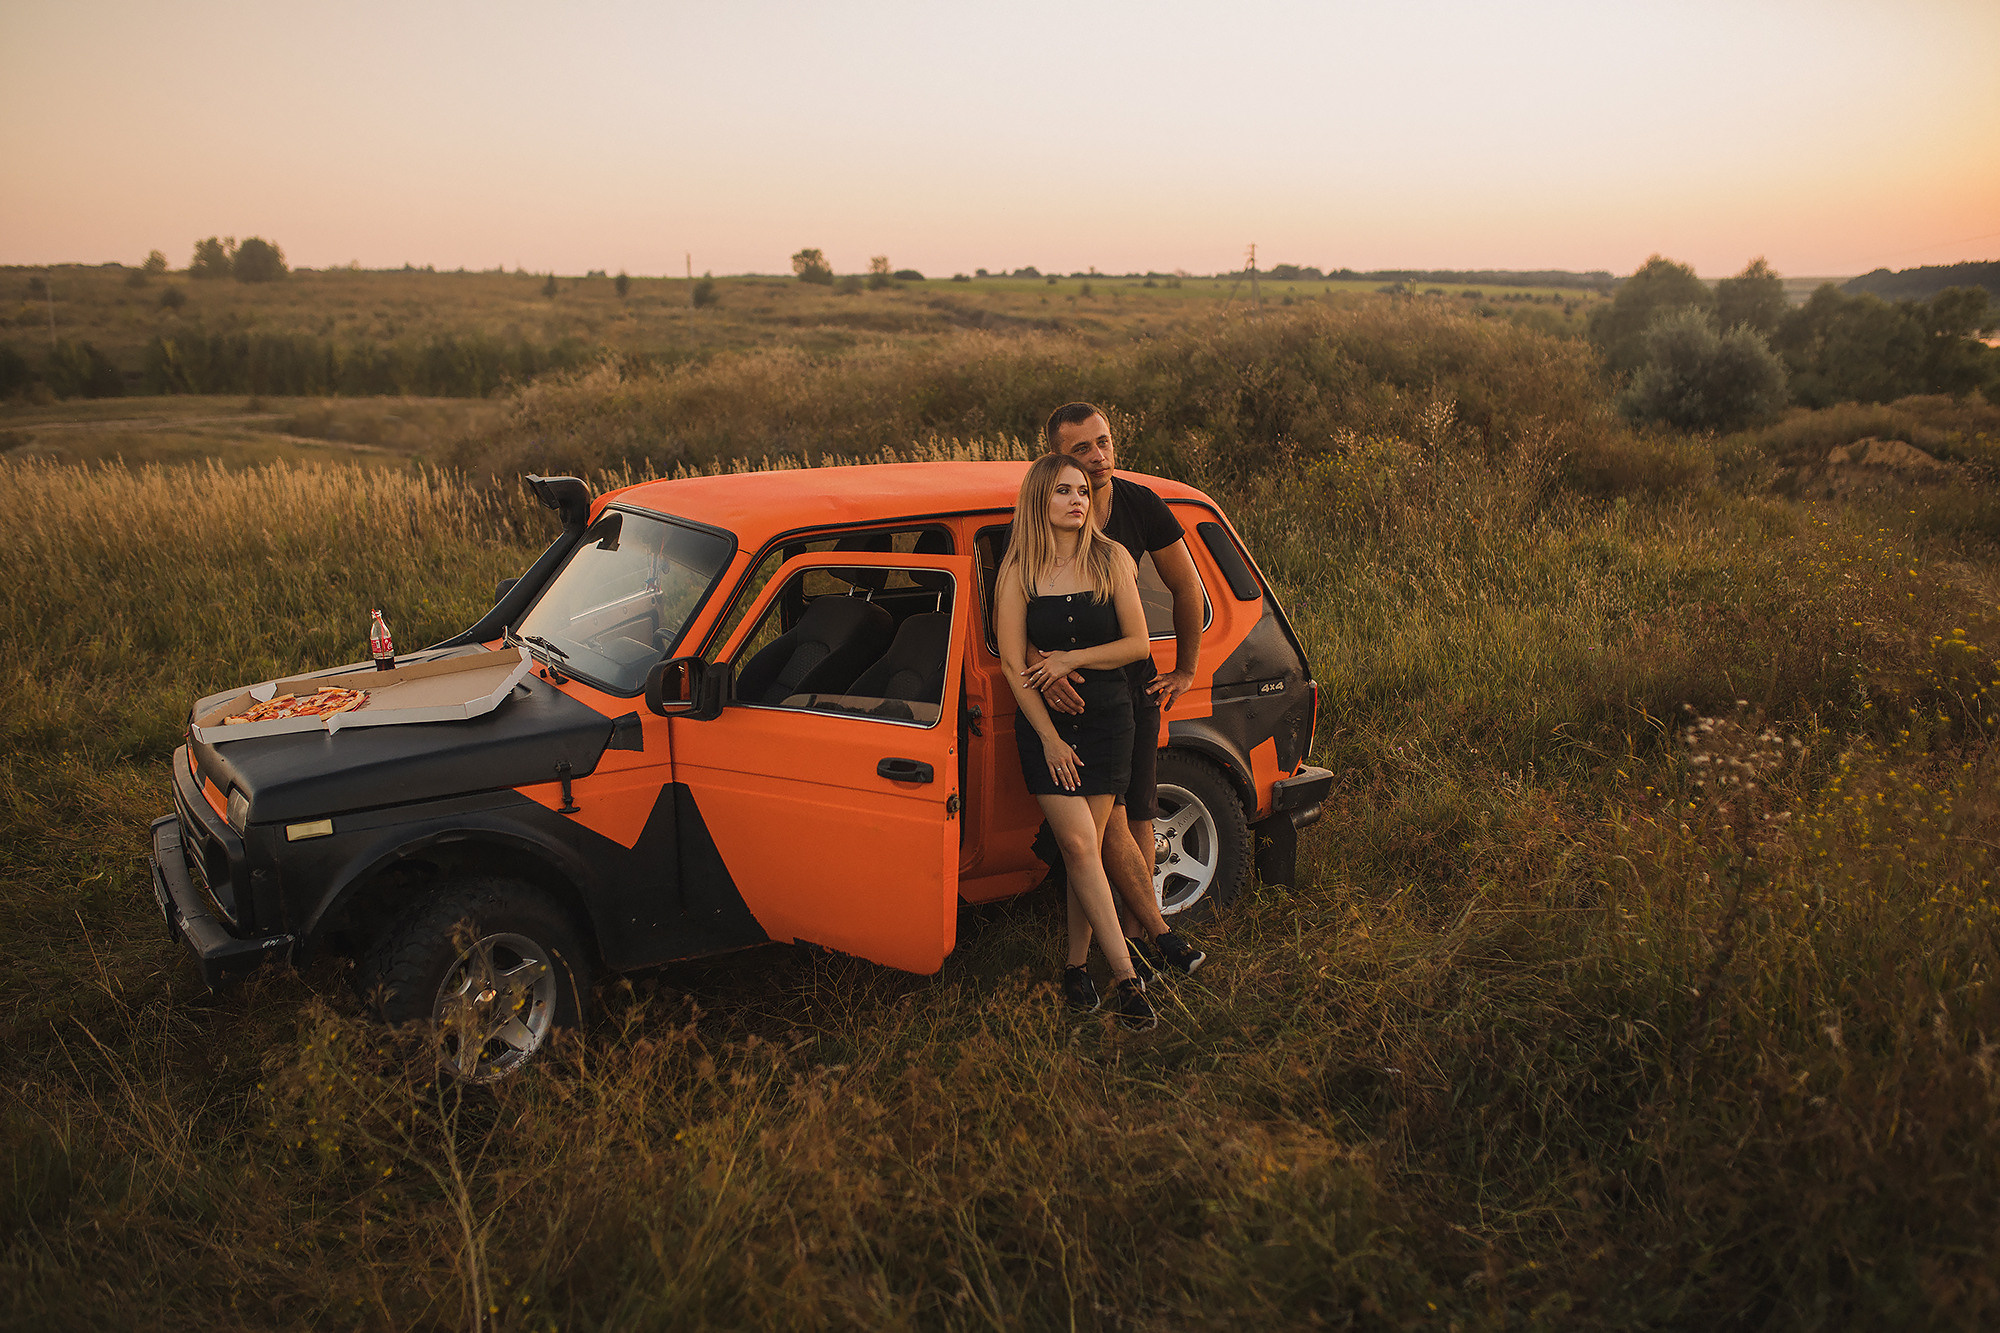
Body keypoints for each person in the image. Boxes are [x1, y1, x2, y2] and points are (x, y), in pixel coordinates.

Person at [1031, 402, 1210, 976]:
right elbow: (1007, 615)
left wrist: (1184, 669)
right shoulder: (1040, 514)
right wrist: (1042, 666)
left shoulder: (1136, 507)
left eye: (1104, 442)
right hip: (1072, 698)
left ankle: (1135, 943)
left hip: (1130, 690)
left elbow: (1187, 587)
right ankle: (1155, 942)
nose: (1099, 457)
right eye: (1082, 449)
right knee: (1099, 823)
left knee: (1135, 814)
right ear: (1056, 459)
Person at [996, 453, 1159, 1029]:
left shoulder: (1111, 557)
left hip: (1109, 720)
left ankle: (1073, 965)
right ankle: (1127, 979)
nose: (1078, 501)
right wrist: (1047, 739)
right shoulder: (1018, 568)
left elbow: (1138, 643)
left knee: (1080, 850)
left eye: (1084, 492)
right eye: (1064, 491)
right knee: (1081, 847)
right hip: (1048, 732)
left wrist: (1070, 658)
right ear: (1039, 499)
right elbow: (1014, 665)